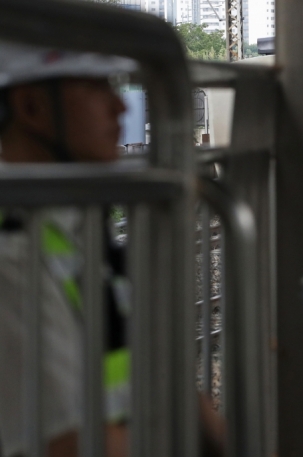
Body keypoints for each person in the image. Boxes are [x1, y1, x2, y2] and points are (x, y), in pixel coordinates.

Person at [0, 42, 224, 457]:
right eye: (95, 87)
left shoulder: (78, 230)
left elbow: (166, 377)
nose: (120, 108)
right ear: (31, 106)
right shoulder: (12, 260)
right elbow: (69, 444)